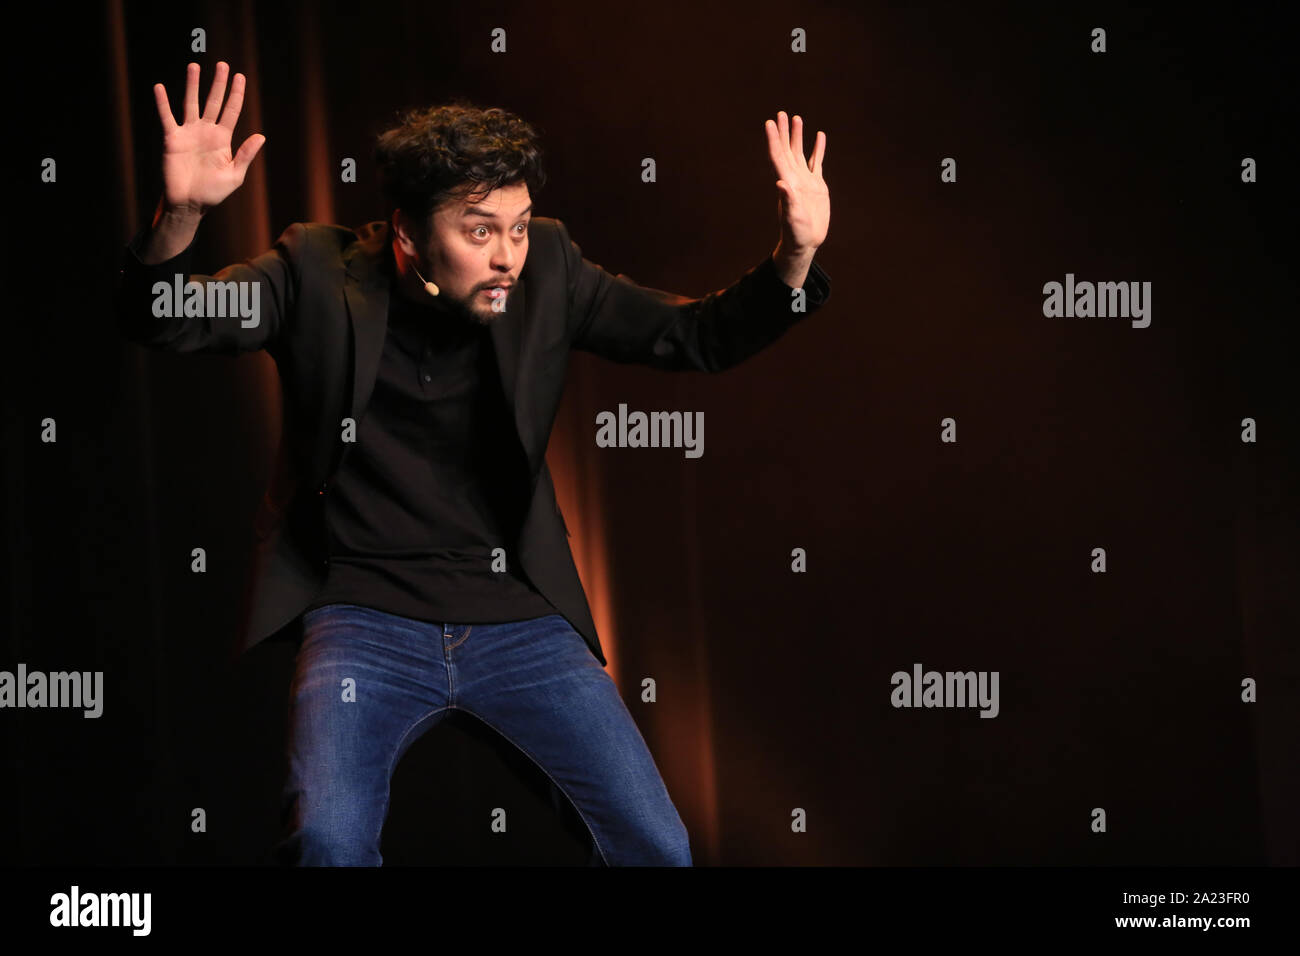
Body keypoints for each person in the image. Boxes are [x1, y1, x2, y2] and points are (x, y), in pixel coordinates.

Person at [115, 60, 832, 866]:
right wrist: (178, 217)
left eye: (519, 226)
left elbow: (694, 337)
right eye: (480, 229)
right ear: (408, 232)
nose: (508, 257)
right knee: (327, 839)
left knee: (656, 845)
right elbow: (171, 323)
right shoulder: (314, 272)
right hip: (362, 617)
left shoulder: (551, 271)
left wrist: (793, 259)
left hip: (517, 621)